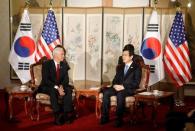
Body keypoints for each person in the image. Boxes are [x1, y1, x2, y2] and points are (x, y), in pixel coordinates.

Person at [100, 44, 142, 127]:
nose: (123, 57)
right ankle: (105, 117)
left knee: (120, 94)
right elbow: (115, 80)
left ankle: (119, 119)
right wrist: (115, 85)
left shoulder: (137, 67)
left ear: (131, 57)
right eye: (122, 55)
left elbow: (136, 83)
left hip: (128, 89)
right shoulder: (121, 67)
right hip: (118, 87)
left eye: (125, 55)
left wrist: (123, 87)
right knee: (106, 92)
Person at [37, 45, 73, 125]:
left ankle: (65, 114)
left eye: (63, 54)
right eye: (62, 54)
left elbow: (66, 80)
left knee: (68, 90)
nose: (64, 56)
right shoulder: (46, 64)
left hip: (60, 86)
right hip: (47, 86)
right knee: (53, 90)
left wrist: (61, 87)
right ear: (56, 55)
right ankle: (57, 114)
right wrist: (57, 88)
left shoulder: (64, 64)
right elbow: (46, 80)